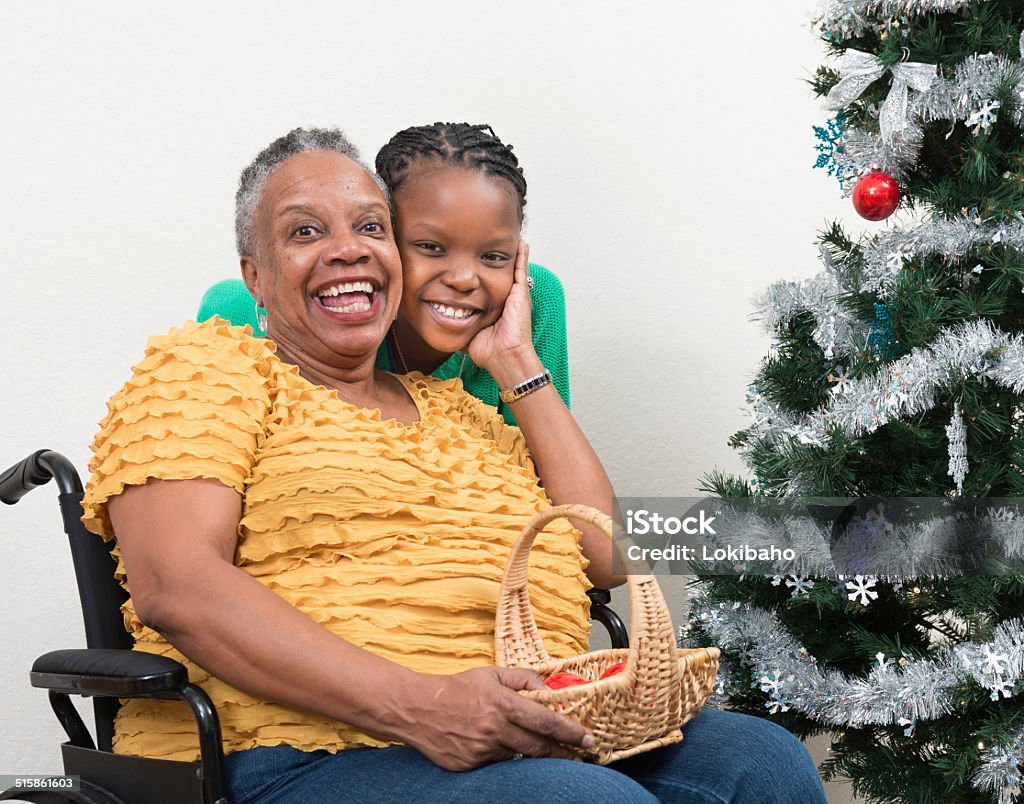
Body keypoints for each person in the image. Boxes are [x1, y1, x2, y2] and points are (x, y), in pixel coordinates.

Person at [82, 127, 826, 803]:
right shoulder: (208, 367)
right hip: (292, 750)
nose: (347, 248)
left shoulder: (461, 411)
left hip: (523, 729)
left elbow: (606, 552)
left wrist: (515, 360)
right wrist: (424, 705)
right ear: (254, 275)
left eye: (370, 227)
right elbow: (177, 586)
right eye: (305, 231)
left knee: (764, 764)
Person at [198, 122, 568, 425]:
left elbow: (575, 509)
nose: (463, 278)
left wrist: (516, 360)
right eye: (430, 247)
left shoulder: (530, 299)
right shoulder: (237, 313)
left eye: (493, 255)